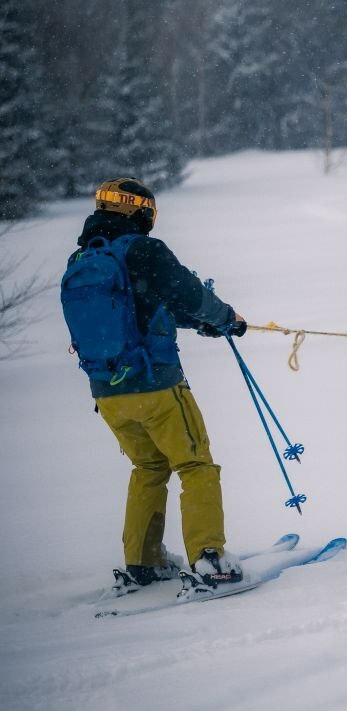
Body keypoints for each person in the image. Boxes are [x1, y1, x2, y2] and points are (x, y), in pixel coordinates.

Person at [62, 178, 248, 592]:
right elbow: (189, 295)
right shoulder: (144, 250)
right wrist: (225, 318)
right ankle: (210, 559)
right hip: (157, 386)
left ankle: (143, 563)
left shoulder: (82, 259)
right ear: (140, 211)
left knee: (148, 466)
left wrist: (200, 325)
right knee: (195, 464)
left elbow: (145, 308)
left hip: (108, 392)